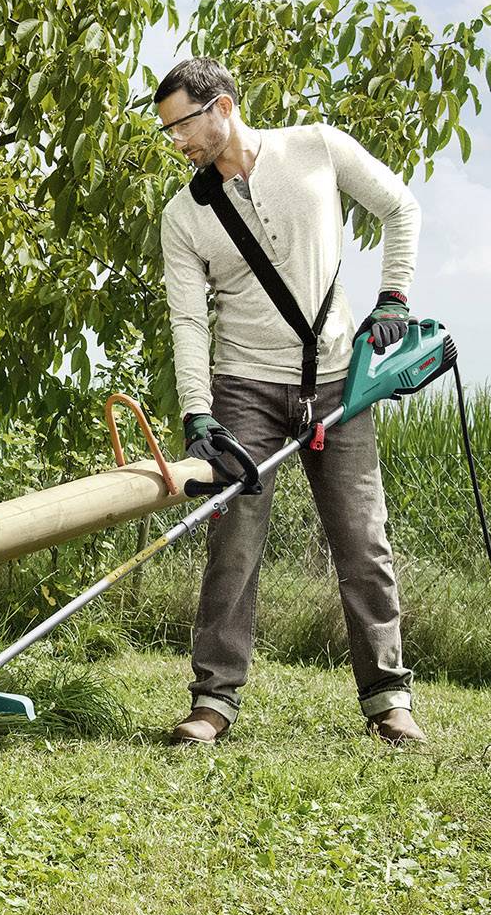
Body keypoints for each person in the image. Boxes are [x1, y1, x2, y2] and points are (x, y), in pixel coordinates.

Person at [154, 56, 426, 748]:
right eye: (168, 132)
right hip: (243, 386)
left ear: (220, 108)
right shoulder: (185, 215)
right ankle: (213, 702)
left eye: (181, 125)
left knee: (363, 541)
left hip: (337, 378)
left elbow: (401, 207)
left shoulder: (317, 149)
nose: (176, 143)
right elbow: (188, 321)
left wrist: (393, 296)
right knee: (233, 548)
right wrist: (198, 413)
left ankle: (389, 701)